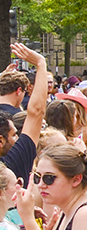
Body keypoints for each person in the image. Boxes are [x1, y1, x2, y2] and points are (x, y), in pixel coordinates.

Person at [1, 45, 49, 185]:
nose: (17, 138)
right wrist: (41, 63)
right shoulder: (14, 161)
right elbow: (36, 112)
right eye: (14, 134)